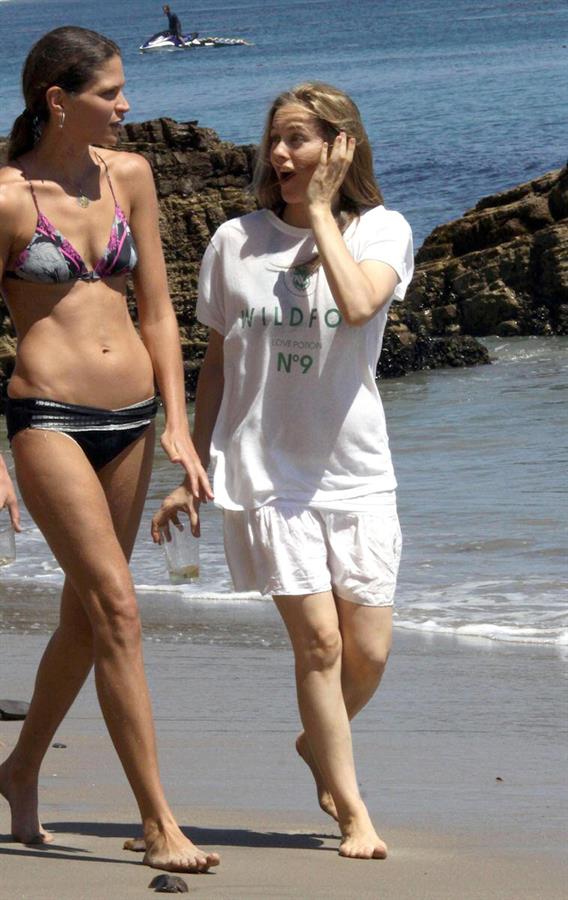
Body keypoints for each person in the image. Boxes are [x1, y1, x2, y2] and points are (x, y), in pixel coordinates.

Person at [152, 82, 414, 859]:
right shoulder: (235, 240)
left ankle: (317, 744)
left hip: (358, 469)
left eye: (298, 138)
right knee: (321, 648)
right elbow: (218, 363)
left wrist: (327, 215)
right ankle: (354, 812)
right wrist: (193, 457)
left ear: (341, 147)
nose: (279, 154)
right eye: (275, 138)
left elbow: (361, 304)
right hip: (267, 474)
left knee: (367, 651)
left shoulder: (383, 230)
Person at [0, 26, 219, 873]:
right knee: (119, 611)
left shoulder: (132, 177)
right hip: (48, 418)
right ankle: (159, 820)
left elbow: (158, 308)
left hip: (132, 420)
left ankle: (18, 770)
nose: (129, 107)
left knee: (87, 622)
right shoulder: (11, 199)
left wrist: (176, 419)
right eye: (111, 93)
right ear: (60, 99)